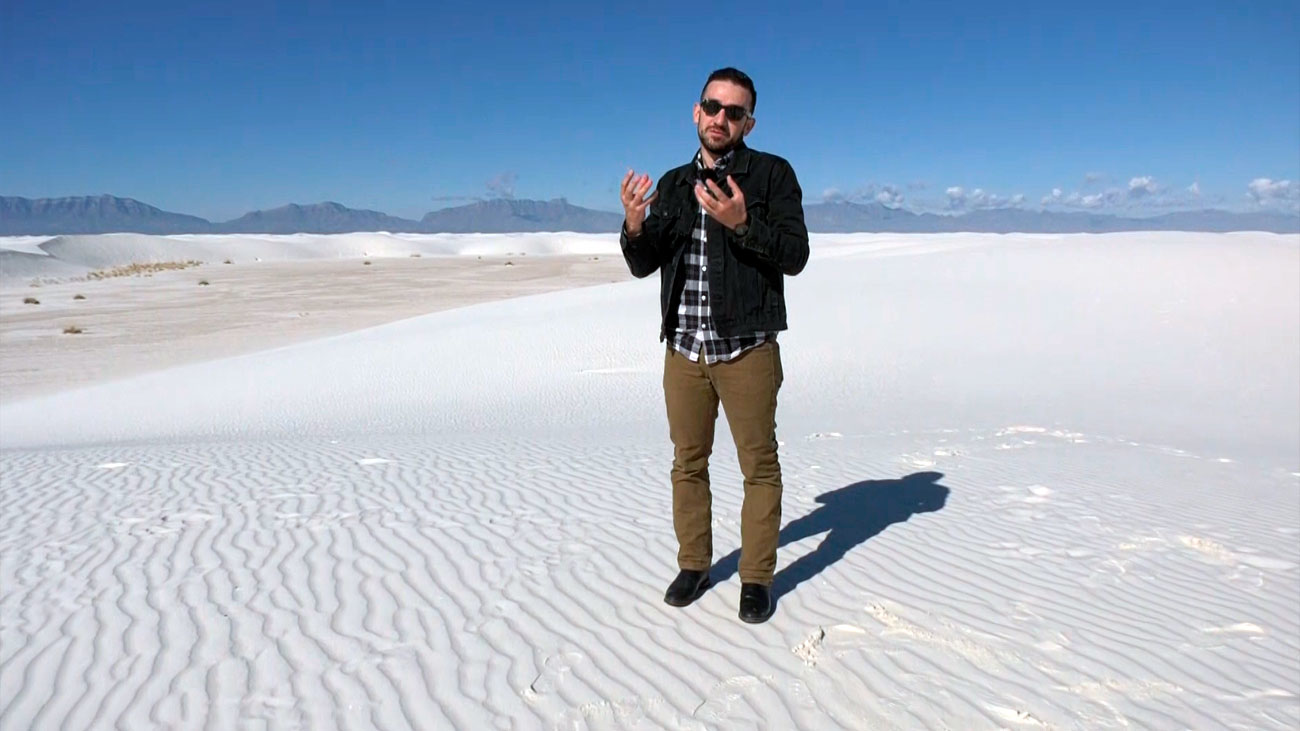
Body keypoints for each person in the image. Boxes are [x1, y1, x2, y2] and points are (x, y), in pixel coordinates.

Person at [618, 67, 809, 624]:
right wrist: (633, 224)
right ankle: (695, 564)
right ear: (695, 112)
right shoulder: (676, 184)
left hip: (747, 350)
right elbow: (642, 263)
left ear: (749, 122)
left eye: (735, 111)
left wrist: (742, 222)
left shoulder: (771, 176)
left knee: (759, 467)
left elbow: (795, 255)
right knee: (687, 462)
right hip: (684, 352)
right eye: (713, 106)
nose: (721, 118)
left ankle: (756, 578)